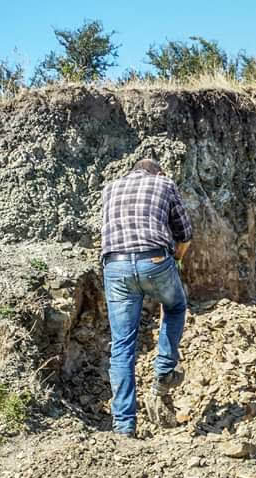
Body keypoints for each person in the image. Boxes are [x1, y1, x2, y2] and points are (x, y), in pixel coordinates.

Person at [101, 158, 192, 437]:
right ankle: (164, 370)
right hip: (154, 259)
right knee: (175, 306)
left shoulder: (110, 188)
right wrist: (176, 259)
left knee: (122, 346)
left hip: (114, 266)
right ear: (158, 172)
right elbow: (185, 233)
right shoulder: (164, 183)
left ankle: (124, 426)